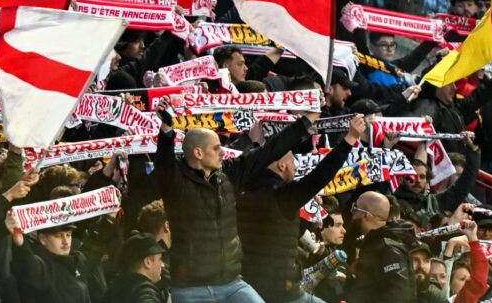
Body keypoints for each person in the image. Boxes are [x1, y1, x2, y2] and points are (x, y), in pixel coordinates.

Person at [154, 96, 319, 303]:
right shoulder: (175, 183)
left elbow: (269, 151)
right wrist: (166, 130)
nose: (222, 152)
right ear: (198, 153)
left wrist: (306, 121)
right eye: (215, 148)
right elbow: (164, 164)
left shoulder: (229, 175)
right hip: (191, 288)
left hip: (231, 284)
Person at [238, 113, 368, 302]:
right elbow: (319, 176)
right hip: (281, 291)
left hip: (250, 285)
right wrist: (350, 139)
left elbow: (249, 165)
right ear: (282, 165)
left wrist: (256, 144)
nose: (296, 167)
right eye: (293, 161)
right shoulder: (282, 195)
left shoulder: (242, 190)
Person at [345, 191, 416, 302]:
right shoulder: (374, 243)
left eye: (355, 209)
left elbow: (398, 296)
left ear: (365, 216)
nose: (353, 215)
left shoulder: (388, 248)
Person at [101, 233, 169, 302]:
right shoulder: (145, 293)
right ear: (147, 262)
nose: (162, 265)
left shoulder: (113, 289)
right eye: (160, 259)